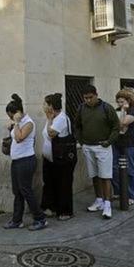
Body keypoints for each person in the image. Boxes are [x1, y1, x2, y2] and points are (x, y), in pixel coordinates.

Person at [1, 94, 47, 231]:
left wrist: (15, 124)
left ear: (17, 113)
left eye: (10, 115)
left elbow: (20, 137)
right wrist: (12, 125)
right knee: (17, 191)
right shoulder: (19, 123)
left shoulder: (28, 123)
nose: (10, 118)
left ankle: (40, 218)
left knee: (26, 191)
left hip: (26, 161)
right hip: (16, 161)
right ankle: (17, 220)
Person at [74, 85, 119, 220]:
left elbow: (116, 127)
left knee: (105, 176)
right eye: (85, 98)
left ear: (96, 95)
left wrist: (108, 142)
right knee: (94, 175)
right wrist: (81, 141)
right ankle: (99, 200)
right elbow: (77, 126)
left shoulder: (106, 108)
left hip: (103, 146)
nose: (88, 100)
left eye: (90, 97)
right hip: (88, 146)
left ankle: (107, 204)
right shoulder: (81, 108)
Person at [40, 93, 76, 221]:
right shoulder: (52, 117)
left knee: (63, 184)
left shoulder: (60, 118)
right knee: (50, 183)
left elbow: (51, 134)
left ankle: (65, 211)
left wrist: (49, 119)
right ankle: (51, 207)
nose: (43, 106)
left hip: (63, 159)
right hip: (51, 158)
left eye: (45, 104)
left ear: (51, 106)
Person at [111, 90, 134, 205]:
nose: (119, 104)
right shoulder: (116, 111)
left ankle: (132, 194)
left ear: (128, 101)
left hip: (129, 143)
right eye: (118, 102)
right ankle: (119, 191)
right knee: (114, 168)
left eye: (122, 102)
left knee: (130, 169)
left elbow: (123, 122)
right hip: (117, 142)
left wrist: (124, 110)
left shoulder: (133, 111)